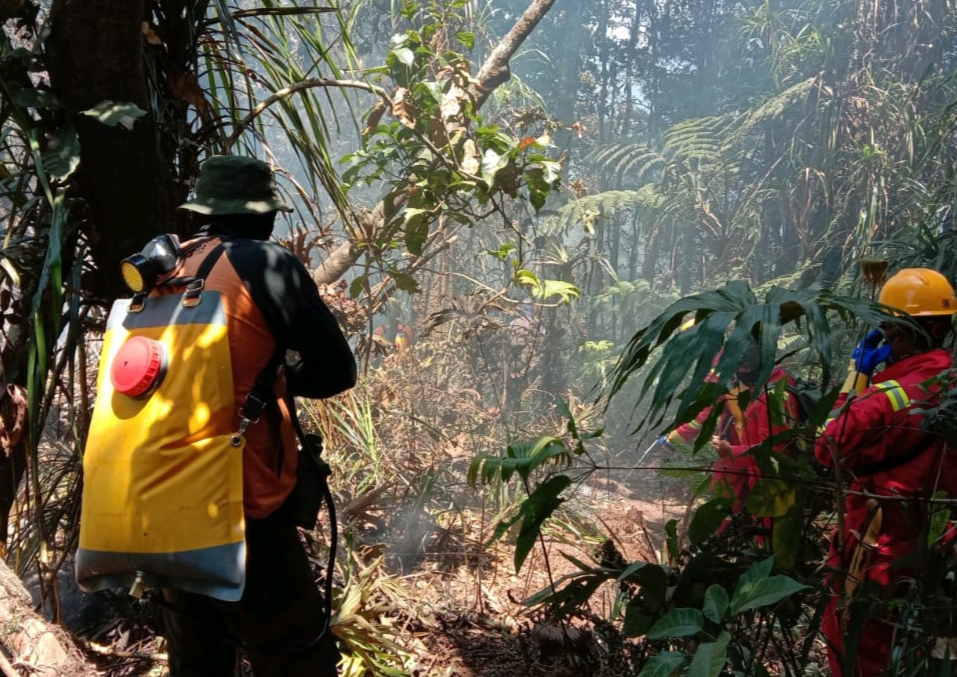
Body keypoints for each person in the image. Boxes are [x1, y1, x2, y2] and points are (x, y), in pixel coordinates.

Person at [161, 155, 357, 677]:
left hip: (162, 494)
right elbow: (337, 371)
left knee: (197, 659)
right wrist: (276, 379)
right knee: (295, 652)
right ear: (263, 215)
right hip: (240, 498)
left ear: (203, 212)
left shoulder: (166, 264)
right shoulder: (266, 264)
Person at [815, 267, 957, 677]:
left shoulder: (885, 397)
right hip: (940, 546)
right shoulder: (951, 381)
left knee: (859, 646)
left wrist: (857, 377)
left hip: (881, 547)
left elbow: (826, 448)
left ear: (899, 332)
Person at [661, 342, 799, 515]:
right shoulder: (732, 360)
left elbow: (774, 452)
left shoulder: (773, 395)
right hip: (737, 439)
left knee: (766, 509)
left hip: (762, 461)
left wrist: (730, 451)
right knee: (723, 492)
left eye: (744, 369)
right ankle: (723, 527)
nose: (740, 373)